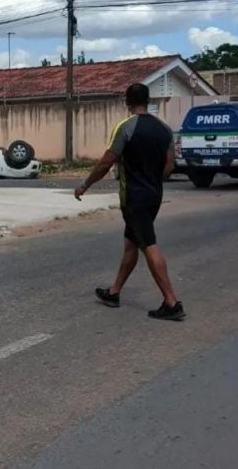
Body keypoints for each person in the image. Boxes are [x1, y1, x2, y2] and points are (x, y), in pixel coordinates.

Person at [74, 83, 185, 321]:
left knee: (148, 244)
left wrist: (85, 184)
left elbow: (106, 163)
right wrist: (153, 179)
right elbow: (169, 165)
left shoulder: (125, 128)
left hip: (134, 197)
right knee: (131, 244)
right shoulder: (164, 129)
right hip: (155, 194)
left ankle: (172, 302)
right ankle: (114, 293)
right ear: (148, 100)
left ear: (127, 102)